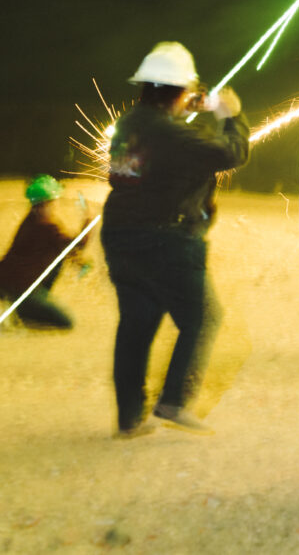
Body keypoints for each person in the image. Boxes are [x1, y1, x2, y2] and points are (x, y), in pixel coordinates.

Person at [101, 41, 250, 438]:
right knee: (202, 318)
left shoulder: (131, 124)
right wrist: (231, 117)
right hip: (164, 238)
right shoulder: (170, 134)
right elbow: (230, 153)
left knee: (137, 322)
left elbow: (169, 144)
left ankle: (129, 417)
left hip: (119, 234)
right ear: (179, 90)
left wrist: (193, 106)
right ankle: (173, 402)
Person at [0, 175, 93, 330]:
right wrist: (88, 221)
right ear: (47, 203)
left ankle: (29, 305)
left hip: (7, 281)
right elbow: (77, 244)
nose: (56, 205)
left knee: (58, 258)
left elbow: (63, 248)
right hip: (21, 288)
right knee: (66, 322)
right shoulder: (48, 226)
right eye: (54, 202)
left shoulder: (31, 220)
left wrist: (79, 261)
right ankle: (26, 308)